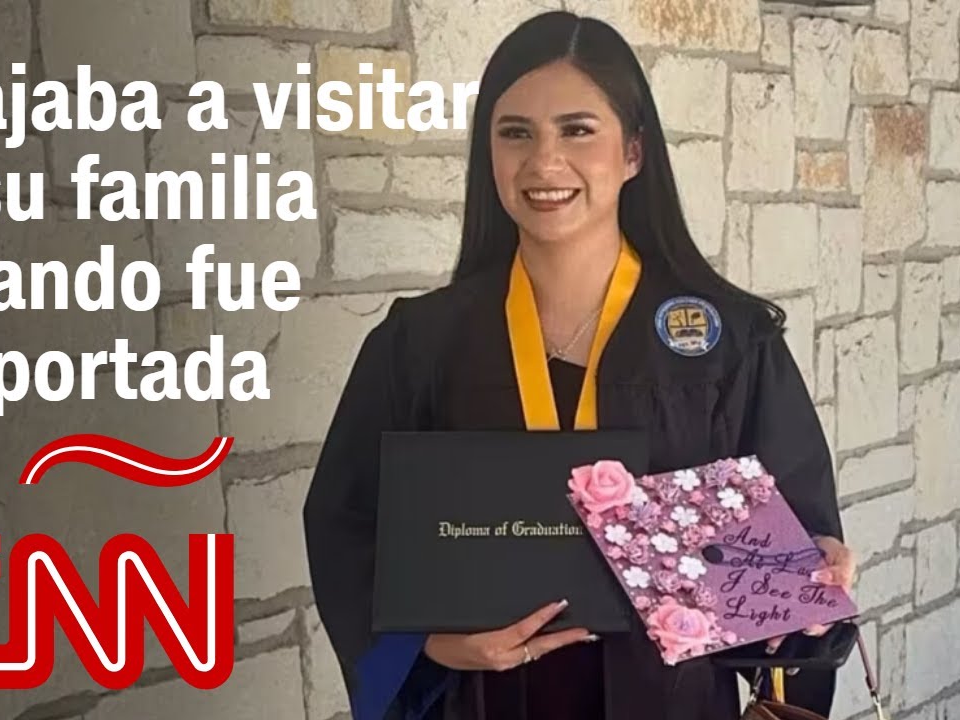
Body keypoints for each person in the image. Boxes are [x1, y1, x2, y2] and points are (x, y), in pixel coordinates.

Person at [303, 10, 856, 720]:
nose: (544, 162)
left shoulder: (726, 345)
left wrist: (810, 581)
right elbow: (346, 522)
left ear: (633, 152)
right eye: (515, 133)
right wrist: (428, 644)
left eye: (577, 130)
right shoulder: (420, 344)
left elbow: (795, 556)